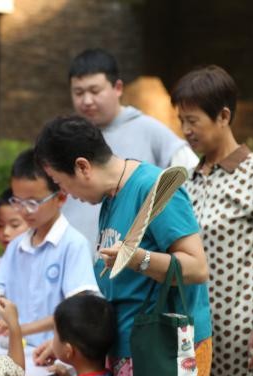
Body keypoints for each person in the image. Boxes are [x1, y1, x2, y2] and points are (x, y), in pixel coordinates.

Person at [33, 115, 212, 376]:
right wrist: (67, 339)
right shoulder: (111, 197)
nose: (66, 194)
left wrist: (138, 258)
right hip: (130, 350)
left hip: (164, 352)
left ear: (83, 166)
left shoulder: (152, 188)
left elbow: (197, 268)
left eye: (61, 183)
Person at [171, 65, 253, 376]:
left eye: (193, 120)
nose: (186, 130)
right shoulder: (188, 182)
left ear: (224, 116)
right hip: (193, 335)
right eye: (181, 121)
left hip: (244, 338)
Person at [62, 48, 199, 255]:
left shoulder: (150, 131)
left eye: (95, 91)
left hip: (132, 266)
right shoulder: (67, 138)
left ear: (117, 88)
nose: (87, 100)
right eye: (79, 93)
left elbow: (192, 180)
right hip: (73, 263)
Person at [0, 149, 99, 347]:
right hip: (14, 347)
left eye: (33, 203)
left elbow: (76, 308)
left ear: (60, 198)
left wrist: (20, 329)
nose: (24, 210)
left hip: (54, 352)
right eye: (17, 201)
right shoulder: (16, 246)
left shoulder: (73, 244)